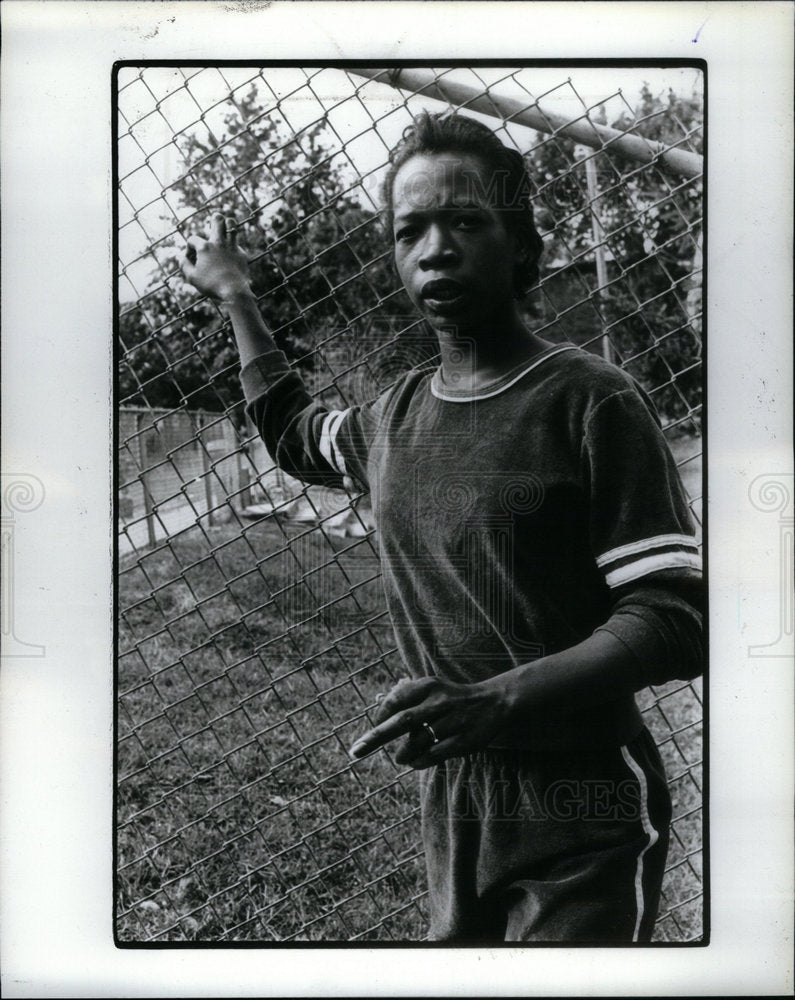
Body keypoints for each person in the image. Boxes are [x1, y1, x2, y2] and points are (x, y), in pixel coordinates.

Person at [181, 111, 703, 943]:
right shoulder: (391, 419)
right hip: (456, 798)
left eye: (465, 221)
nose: (435, 247)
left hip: (581, 798)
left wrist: (498, 698)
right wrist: (237, 296)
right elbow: (291, 431)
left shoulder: (587, 400)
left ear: (521, 244)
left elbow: (674, 619)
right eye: (409, 230)